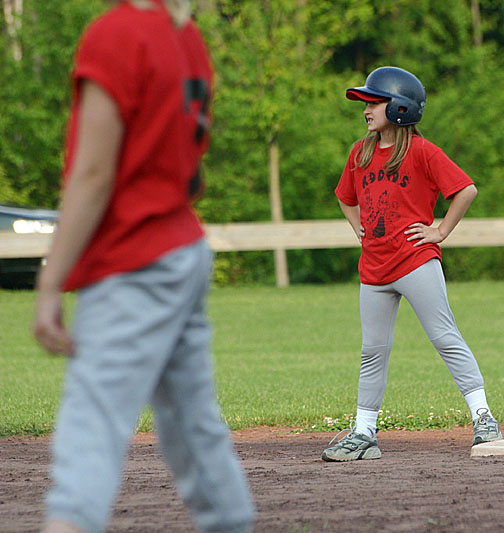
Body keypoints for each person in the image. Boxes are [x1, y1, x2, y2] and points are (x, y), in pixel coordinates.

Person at [32, 1, 253, 531]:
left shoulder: (117, 34)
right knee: (194, 432)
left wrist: (49, 281)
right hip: (182, 249)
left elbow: (92, 173)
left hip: (132, 261)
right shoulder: (186, 34)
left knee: (91, 432)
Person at [322, 66, 502, 462]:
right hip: (373, 267)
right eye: (366, 102)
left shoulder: (421, 151)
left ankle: (484, 417)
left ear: (400, 108)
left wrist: (440, 231)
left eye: (375, 101)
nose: (367, 109)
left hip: (415, 260)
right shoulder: (361, 151)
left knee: (444, 337)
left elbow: (465, 189)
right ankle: (364, 433)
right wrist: (360, 230)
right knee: (373, 350)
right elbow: (344, 196)